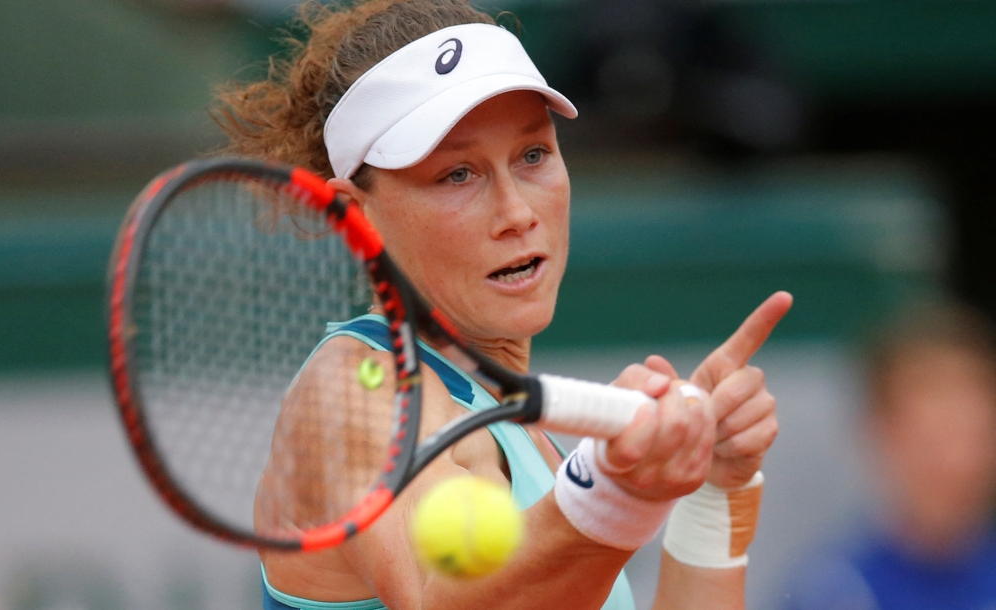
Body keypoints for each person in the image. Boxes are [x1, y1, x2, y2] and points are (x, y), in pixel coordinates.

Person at [215, 1, 791, 608]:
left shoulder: (521, 432)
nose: (517, 213)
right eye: (457, 175)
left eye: (533, 155)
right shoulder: (353, 394)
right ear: (355, 217)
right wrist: (611, 493)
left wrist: (714, 487)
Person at [782, 303, 996, 610]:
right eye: (935, 440)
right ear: (880, 432)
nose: (957, 463)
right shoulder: (835, 591)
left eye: (974, 435)